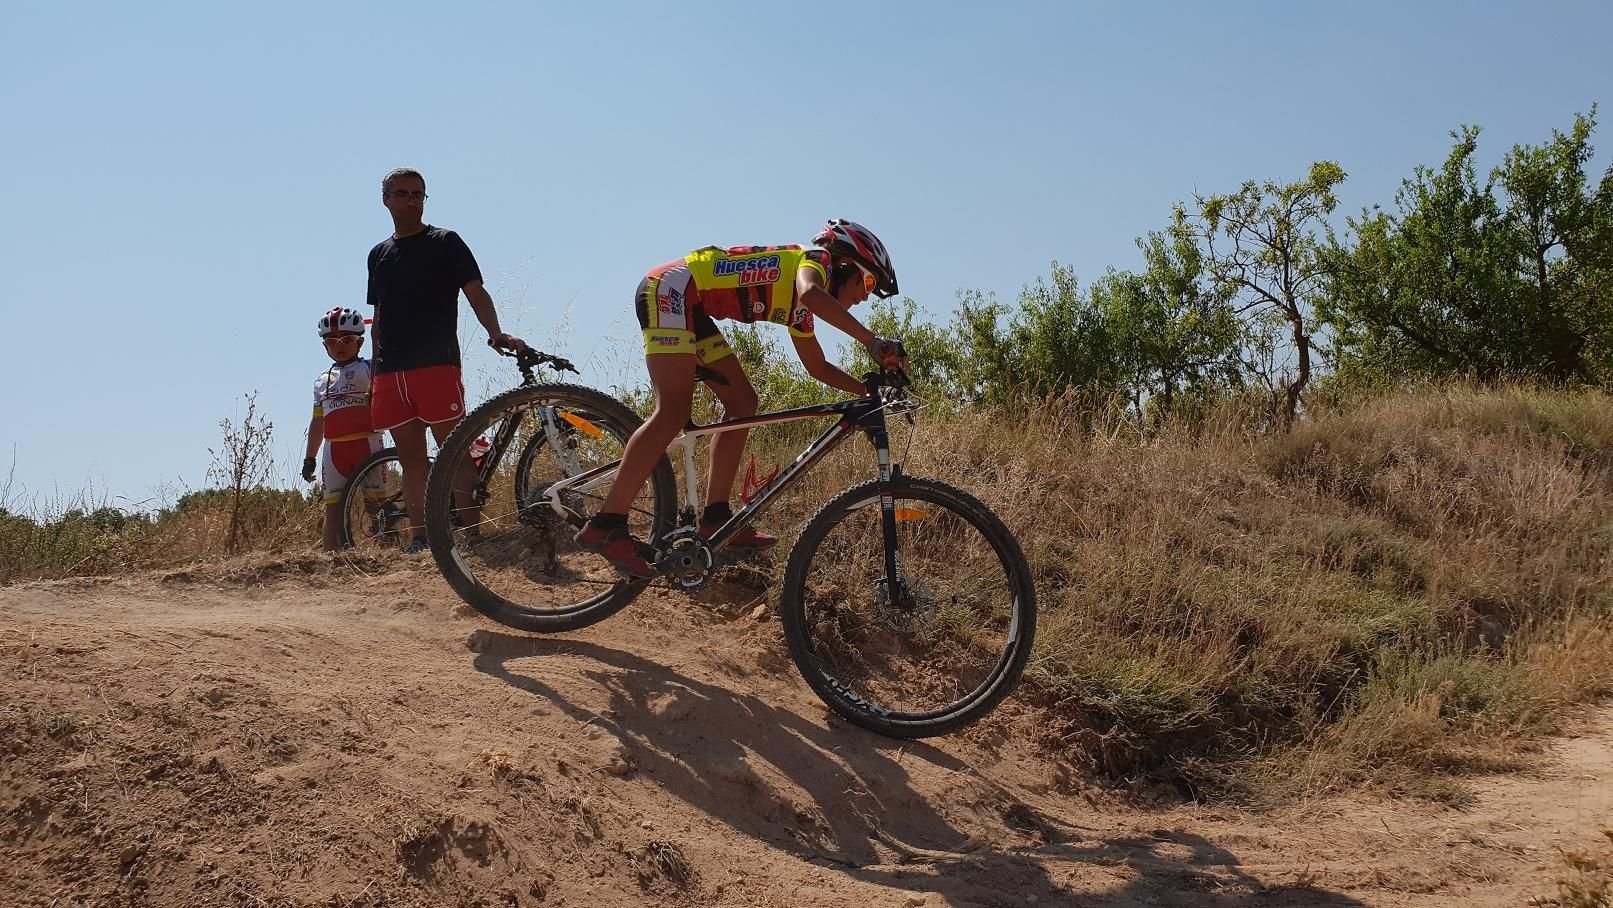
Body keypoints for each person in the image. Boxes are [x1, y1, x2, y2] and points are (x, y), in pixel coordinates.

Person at [576, 219, 907, 578]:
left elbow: (818, 367)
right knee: (672, 412)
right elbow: (813, 293)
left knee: (743, 404)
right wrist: (872, 342)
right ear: (846, 265)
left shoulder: (800, 309)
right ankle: (607, 524)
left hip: (693, 307)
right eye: (868, 283)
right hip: (670, 289)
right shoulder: (816, 260)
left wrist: (872, 392)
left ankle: (715, 520)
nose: (864, 296)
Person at [366, 167, 525, 554]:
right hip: (391, 371)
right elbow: (379, 315)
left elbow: (475, 290)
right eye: (402, 193)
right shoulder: (378, 254)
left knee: (455, 451)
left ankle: (473, 535)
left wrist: (495, 332)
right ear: (386, 199)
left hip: (436, 364)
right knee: (413, 460)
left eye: (418, 194)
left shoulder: (445, 241)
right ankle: (421, 538)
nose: (411, 200)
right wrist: (374, 369)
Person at [301, 307, 385, 552]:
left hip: (368, 444)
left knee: (376, 506)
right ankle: (331, 559)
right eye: (331, 340)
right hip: (334, 450)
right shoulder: (321, 381)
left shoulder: (370, 368)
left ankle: (387, 552)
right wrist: (310, 458)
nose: (339, 345)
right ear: (324, 345)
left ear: (360, 342)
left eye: (347, 339)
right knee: (333, 509)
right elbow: (318, 422)